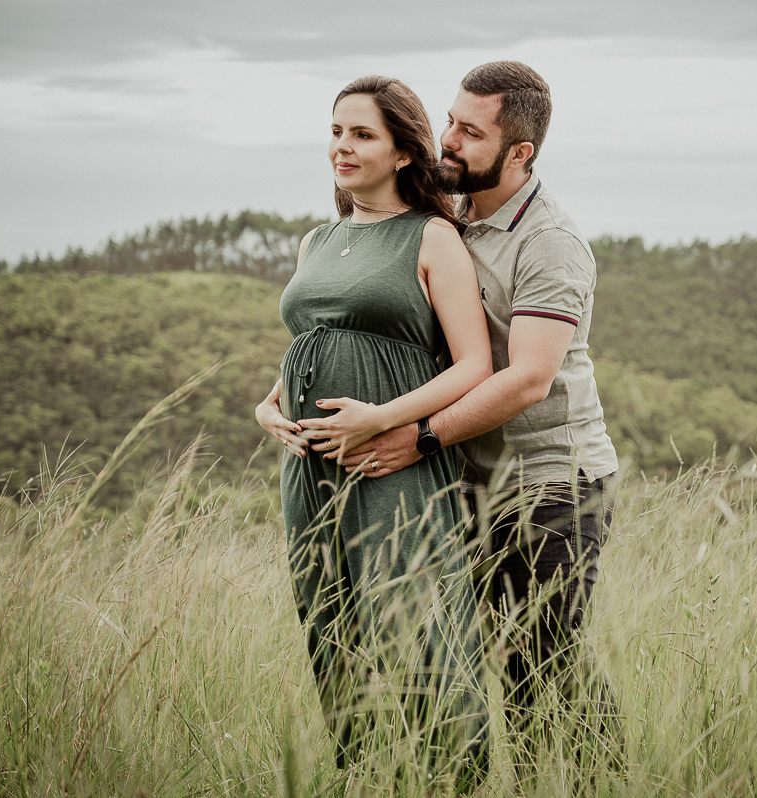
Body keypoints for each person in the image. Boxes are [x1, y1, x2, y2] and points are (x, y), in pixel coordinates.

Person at [297, 62, 625, 780]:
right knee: (456, 662)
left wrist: (413, 437)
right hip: (457, 481)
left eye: (470, 132)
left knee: (543, 663)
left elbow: (527, 378)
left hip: (548, 483)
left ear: (521, 154)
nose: (450, 139)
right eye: (449, 120)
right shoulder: (447, 217)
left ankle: (596, 785)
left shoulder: (549, 242)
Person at [254, 75, 492, 786]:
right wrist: (266, 409)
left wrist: (385, 419)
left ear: (401, 151)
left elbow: (474, 364)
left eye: (361, 134)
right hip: (312, 471)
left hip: (394, 464)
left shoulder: (432, 236)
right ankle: (365, 779)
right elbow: (312, 344)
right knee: (332, 632)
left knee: (418, 636)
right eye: (335, 132)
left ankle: (456, 781)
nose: (342, 147)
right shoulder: (316, 240)